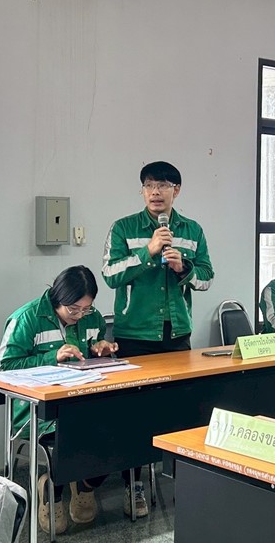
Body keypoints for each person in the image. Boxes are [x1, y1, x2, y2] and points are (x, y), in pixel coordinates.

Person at [102, 160, 214, 516]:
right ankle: (134, 484)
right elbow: (110, 274)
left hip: (177, 334)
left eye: (163, 185)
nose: (155, 192)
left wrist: (185, 268)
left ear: (175, 190)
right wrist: (147, 251)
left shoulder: (192, 230)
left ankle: (182, 479)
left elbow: (207, 278)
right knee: (135, 413)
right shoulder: (124, 228)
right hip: (134, 334)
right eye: (149, 185)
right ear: (142, 191)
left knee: (179, 408)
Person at [0, 266, 118, 535]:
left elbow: (92, 353)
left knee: (120, 428)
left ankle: (85, 485)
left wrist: (101, 349)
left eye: (86, 309)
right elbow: (4, 368)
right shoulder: (27, 318)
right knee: (73, 431)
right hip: (37, 411)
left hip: (82, 402)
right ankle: (52, 487)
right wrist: (53, 357)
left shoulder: (92, 317)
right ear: (57, 298)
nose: (80, 315)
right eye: (74, 309)